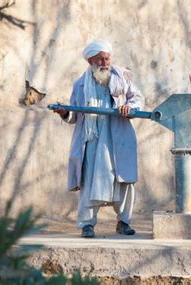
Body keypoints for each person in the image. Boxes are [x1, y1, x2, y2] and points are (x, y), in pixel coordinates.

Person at [53, 40, 145, 238]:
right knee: (89, 180)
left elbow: (137, 98)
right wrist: (63, 113)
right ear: (90, 62)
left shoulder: (123, 78)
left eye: (107, 58)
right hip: (92, 141)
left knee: (123, 180)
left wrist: (129, 108)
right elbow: (74, 115)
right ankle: (87, 224)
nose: (105, 63)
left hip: (119, 137)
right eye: (100, 59)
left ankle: (124, 221)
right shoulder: (80, 85)